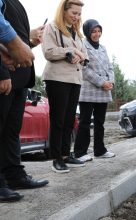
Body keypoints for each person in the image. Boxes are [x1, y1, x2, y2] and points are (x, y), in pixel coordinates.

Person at [0, 0, 49, 202]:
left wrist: (30, 41)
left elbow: (14, 44)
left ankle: (14, 175)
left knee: (11, 131)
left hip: (19, 77)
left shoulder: (15, 3)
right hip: (6, 76)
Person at [42, 0, 87, 173]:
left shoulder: (77, 32)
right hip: (57, 79)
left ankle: (67, 154)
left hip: (75, 79)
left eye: (79, 14)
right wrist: (70, 52)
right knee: (58, 120)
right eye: (73, 13)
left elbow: (85, 55)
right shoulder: (52, 27)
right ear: (64, 10)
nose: (76, 16)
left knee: (70, 120)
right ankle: (56, 158)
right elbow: (48, 51)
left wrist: (81, 55)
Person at [73, 19, 115, 162]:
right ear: (87, 32)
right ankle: (80, 152)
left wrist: (111, 82)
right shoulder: (82, 45)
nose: (97, 34)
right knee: (84, 121)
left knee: (100, 122)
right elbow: (84, 69)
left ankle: (100, 150)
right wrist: (101, 82)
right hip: (89, 90)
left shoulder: (103, 48)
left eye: (99, 31)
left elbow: (110, 66)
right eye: (93, 31)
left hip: (104, 91)